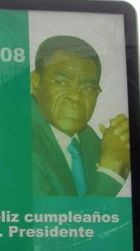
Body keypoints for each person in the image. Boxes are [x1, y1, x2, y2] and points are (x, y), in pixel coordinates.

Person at [31, 35, 130, 197]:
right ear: (35, 83)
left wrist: (120, 142)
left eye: (88, 88)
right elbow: (61, 220)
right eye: (62, 82)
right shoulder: (15, 143)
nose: (76, 96)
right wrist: (112, 167)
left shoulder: (88, 139)